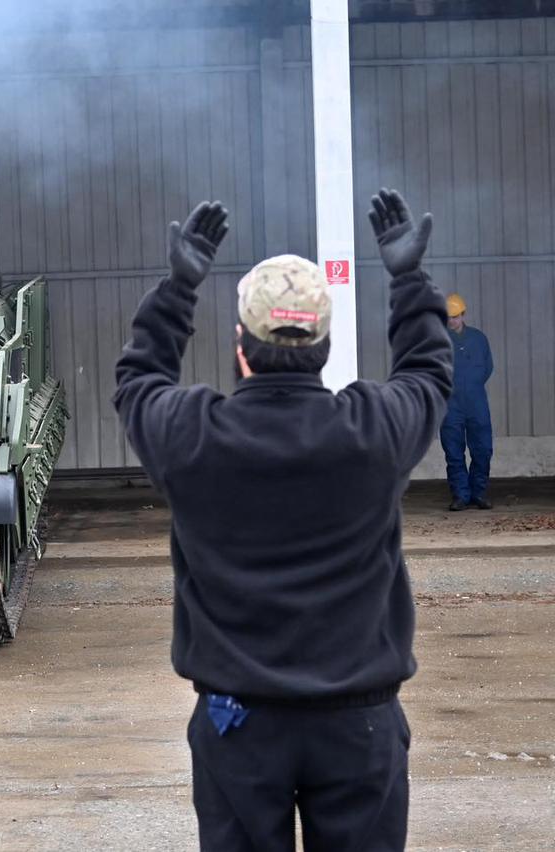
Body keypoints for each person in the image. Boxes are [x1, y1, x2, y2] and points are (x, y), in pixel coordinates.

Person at [112, 189, 452, 851]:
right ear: (324, 345)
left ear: (242, 345)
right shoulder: (373, 432)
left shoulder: (192, 436)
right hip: (358, 725)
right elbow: (430, 372)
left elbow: (137, 378)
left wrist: (178, 288)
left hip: (238, 721)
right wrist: (409, 280)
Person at [440, 293, 494, 510]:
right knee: (454, 451)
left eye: (455, 317)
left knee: (483, 449)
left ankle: (478, 493)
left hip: (475, 402)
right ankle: (461, 495)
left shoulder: (478, 339)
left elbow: (488, 367)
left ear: (463, 315)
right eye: (448, 317)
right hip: (450, 404)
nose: (451, 321)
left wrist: (472, 386)